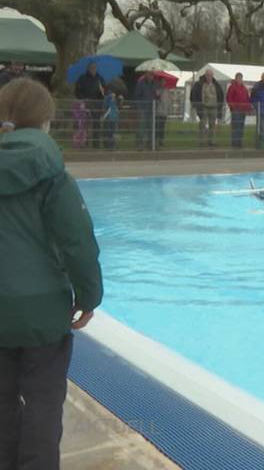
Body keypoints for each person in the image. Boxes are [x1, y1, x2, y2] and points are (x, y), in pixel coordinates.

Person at [0, 78, 103, 470]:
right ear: (46, 121)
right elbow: (78, 242)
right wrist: (89, 296)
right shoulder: (53, 175)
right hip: (44, 314)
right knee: (43, 406)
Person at [189, 70, 223, 147]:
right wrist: (196, 104)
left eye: (211, 75)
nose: (209, 77)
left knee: (212, 124)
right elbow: (193, 94)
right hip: (203, 107)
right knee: (202, 124)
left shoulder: (216, 84)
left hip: (214, 107)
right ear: (205, 75)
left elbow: (220, 94)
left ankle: (212, 141)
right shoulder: (199, 84)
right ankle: (201, 141)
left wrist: (219, 105)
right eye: (208, 75)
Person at [75, 62, 105, 149]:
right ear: (88, 68)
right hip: (85, 104)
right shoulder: (82, 78)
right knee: (84, 125)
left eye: (95, 67)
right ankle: (84, 143)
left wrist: (102, 95)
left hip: (97, 105)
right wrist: (83, 99)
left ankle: (96, 144)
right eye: (91, 67)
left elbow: (104, 92)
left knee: (96, 125)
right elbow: (77, 91)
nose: (93, 69)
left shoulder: (100, 78)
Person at [133, 71, 160, 151]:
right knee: (142, 127)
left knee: (151, 127)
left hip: (152, 109)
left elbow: (156, 96)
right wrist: (139, 107)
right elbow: (137, 96)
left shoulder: (155, 84)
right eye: (150, 74)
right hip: (143, 108)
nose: (151, 75)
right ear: (146, 74)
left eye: (152, 74)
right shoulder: (140, 83)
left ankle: (151, 143)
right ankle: (139, 144)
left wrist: (158, 96)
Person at [226, 73, 251, 150]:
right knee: (235, 126)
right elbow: (229, 98)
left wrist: (248, 108)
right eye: (238, 78)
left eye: (241, 78)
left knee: (241, 126)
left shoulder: (244, 88)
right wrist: (233, 107)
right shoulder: (232, 87)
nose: (239, 79)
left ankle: (239, 142)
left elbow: (247, 98)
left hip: (243, 110)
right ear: (236, 78)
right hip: (236, 110)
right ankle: (235, 143)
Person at [101, 85, 119, 150]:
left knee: (109, 132)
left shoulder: (108, 97)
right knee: (113, 132)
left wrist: (104, 117)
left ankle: (110, 146)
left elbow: (108, 108)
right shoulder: (113, 97)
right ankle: (113, 145)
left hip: (109, 117)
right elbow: (116, 108)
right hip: (114, 117)